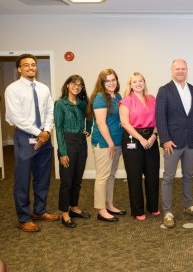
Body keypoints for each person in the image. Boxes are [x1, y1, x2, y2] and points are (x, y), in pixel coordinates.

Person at [5, 53, 59, 232]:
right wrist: (39, 133)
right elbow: (16, 117)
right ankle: (23, 218)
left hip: (44, 138)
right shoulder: (12, 89)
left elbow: (51, 111)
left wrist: (46, 132)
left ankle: (39, 211)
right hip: (24, 137)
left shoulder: (43, 88)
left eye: (33, 65)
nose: (31, 68)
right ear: (19, 69)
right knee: (22, 180)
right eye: (26, 65)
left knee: (43, 178)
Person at [156, 59, 193, 228]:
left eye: (183, 69)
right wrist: (165, 140)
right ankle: (168, 212)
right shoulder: (164, 90)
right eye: (177, 69)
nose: (180, 71)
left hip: (191, 142)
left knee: (188, 176)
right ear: (171, 70)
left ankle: (188, 205)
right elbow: (160, 117)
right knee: (168, 178)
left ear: (187, 70)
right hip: (172, 143)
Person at [119, 72, 160, 221]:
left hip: (151, 138)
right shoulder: (126, 101)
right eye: (134, 82)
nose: (138, 84)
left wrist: (153, 136)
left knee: (152, 175)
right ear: (130, 85)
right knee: (135, 176)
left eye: (140, 81)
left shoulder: (152, 99)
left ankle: (153, 206)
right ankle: (138, 210)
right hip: (133, 139)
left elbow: (158, 120)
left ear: (144, 82)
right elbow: (125, 123)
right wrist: (142, 139)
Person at [87, 68, 125, 222]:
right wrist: (110, 143)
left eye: (113, 80)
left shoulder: (117, 96)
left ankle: (109, 204)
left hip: (117, 142)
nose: (111, 83)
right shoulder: (100, 98)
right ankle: (101, 209)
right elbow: (101, 124)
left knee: (111, 175)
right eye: (107, 80)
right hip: (105, 143)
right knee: (102, 176)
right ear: (102, 83)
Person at [54, 75, 92, 228]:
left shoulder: (83, 103)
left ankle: (74, 207)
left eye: (80, 85)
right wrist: (63, 153)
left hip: (81, 142)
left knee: (77, 179)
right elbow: (58, 129)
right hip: (67, 143)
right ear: (67, 85)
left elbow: (90, 117)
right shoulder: (60, 104)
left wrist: (88, 129)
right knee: (67, 182)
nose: (77, 87)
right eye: (74, 84)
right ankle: (65, 213)